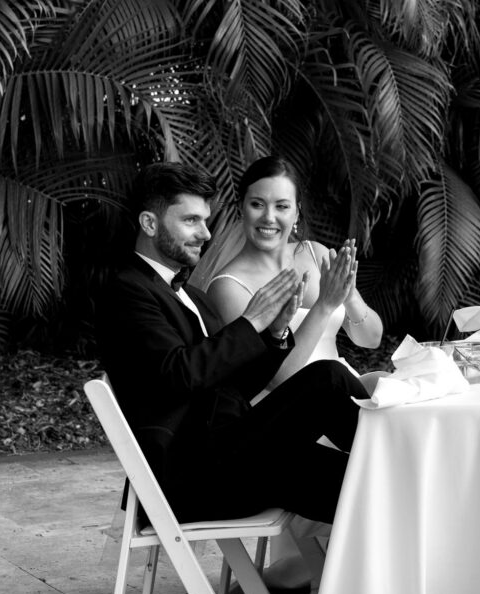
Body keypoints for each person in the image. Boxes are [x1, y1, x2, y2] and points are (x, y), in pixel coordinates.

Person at [94, 162, 370, 528]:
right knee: (328, 379)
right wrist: (251, 321)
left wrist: (274, 332)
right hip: (190, 478)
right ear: (149, 223)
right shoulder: (128, 291)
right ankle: (404, 452)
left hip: (230, 454)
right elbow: (179, 374)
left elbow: (231, 384)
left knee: (366, 486)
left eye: (205, 221)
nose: (205, 233)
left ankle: (401, 488)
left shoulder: (189, 294)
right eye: (191, 221)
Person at [203, 155, 384, 590]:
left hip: (338, 387)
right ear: (241, 209)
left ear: (297, 212)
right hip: (285, 406)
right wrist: (324, 305)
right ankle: (350, 567)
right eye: (258, 204)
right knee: (364, 421)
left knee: (393, 387)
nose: (270, 217)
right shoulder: (229, 286)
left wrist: (349, 296)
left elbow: (371, 339)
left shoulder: (315, 254)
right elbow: (277, 378)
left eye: (282, 206)